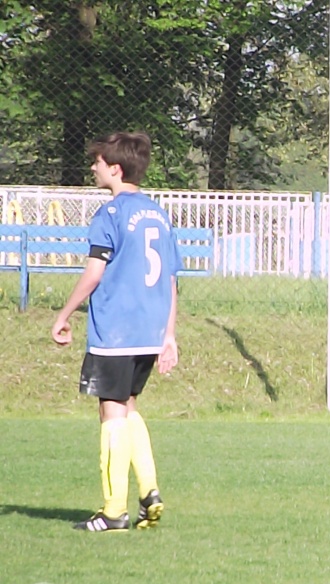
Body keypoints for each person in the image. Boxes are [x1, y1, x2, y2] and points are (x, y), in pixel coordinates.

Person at [51, 131, 181, 532]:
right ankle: (150, 492)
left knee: (110, 411)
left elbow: (94, 273)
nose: (94, 167)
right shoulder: (158, 213)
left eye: (99, 162)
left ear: (116, 169)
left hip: (116, 328)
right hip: (149, 329)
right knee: (128, 406)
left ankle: (113, 512)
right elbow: (171, 279)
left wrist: (63, 314)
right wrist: (169, 335)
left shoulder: (110, 214)